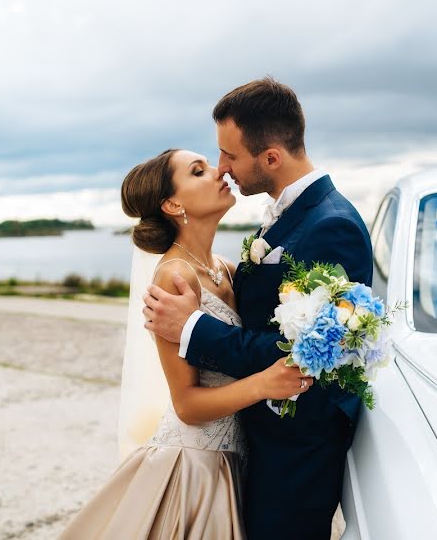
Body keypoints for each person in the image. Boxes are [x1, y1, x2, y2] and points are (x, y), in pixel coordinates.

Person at [144, 78, 373, 540]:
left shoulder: (331, 226)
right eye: (212, 160)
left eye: (229, 155)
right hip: (249, 445)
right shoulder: (290, 219)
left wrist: (192, 327)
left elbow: (302, 349)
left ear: (271, 158)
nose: (223, 168)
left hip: (296, 451)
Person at [59, 148, 313, 539]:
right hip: (197, 466)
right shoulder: (173, 278)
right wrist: (263, 385)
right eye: (199, 171)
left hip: (237, 458)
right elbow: (187, 404)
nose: (219, 172)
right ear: (173, 203)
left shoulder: (227, 269)